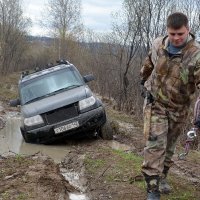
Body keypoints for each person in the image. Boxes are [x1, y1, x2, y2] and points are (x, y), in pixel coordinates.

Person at [140, 12, 200, 200]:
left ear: (187, 30)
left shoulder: (196, 54)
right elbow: (148, 63)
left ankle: (162, 176)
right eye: (172, 33)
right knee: (155, 144)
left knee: (169, 146)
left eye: (180, 34)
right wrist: (143, 81)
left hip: (179, 107)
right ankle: (152, 189)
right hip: (156, 102)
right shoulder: (158, 44)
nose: (176, 38)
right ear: (167, 31)